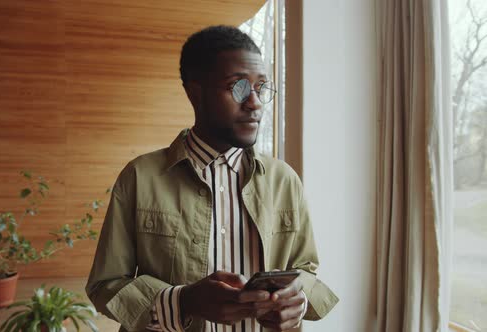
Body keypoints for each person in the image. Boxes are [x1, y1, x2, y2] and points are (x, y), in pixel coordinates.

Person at [86, 25, 338, 332]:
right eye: (238, 87)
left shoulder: (283, 179)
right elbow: (106, 285)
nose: (255, 102)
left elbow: (305, 269)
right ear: (196, 93)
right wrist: (185, 301)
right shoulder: (140, 177)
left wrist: (296, 299)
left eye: (261, 88)